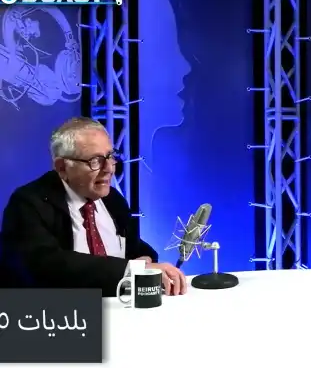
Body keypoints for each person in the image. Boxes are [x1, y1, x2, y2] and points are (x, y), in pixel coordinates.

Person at [0, 117, 187, 296]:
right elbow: (48, 266)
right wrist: (132, 270)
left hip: (120, 309)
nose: (109, 169)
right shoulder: (27, 204)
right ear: (62, 167)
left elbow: (135, 248)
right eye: (95, 161)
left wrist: (146, 260)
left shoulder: (113, 200)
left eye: (110, 156)